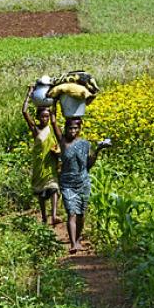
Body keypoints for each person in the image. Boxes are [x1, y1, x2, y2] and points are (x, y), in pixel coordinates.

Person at [50, 102, 108, 254]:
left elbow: (88, 165)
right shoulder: (63, 142)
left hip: (83, 181)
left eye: (76, 128)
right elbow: (53, 121)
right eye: (70, 128)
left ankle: (78, 239)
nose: (73, 131)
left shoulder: (85, 144)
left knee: (81, 214)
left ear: (79, 129)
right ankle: (73, 243)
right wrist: (54, 104)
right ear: (66, 129)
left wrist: (98, 150)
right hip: (67, 182)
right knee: (71, 213)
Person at [22, 87, 62, 225]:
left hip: (51, 161)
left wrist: (55, 99)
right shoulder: (35, 129)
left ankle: (54, 215)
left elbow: (55, 117)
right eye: (42, 116)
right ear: (38, 117)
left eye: (47, 116)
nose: (45, 119)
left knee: (54, 187)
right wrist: (29, 95)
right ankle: (44, 216)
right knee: (40, 192)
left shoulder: (51, 128)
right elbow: (24, 111)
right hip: (40, 163)